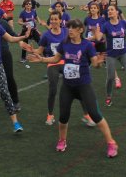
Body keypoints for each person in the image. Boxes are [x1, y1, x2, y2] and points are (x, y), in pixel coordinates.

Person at [28, 19, 118, 158]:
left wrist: (99, 63)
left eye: (73, 27)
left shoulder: (87, 45)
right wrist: (42, 60)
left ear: (80, 30)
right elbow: (56, 59)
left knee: (95, 114)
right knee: (63, 116)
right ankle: (62, 140)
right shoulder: (65, 44)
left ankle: (111, 143)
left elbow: (95, 64)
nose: (70, 30)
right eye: (69, 27)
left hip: (83, 86)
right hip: (68, 87)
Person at [0, 7, 28, 112]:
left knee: (9, 78)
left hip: (4, 55)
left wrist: (20, 41)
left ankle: (15, 101)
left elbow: (12, 34)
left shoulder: (2, 23)